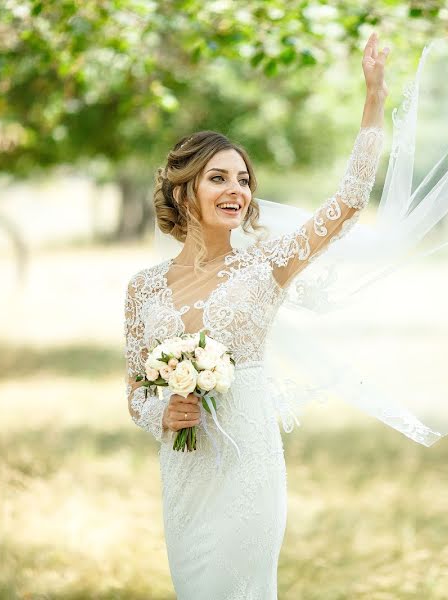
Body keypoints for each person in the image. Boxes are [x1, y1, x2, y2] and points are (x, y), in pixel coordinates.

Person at [123, 31, 389, 599]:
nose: (236, 190)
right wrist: (163, 412)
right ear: (184, 189)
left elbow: (346, 205)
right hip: (185, 473)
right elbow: (136, 394)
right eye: (218, 177)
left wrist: (373, 101)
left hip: (248, 462)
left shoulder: (267, 265)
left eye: (243, 180)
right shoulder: (143, 288)